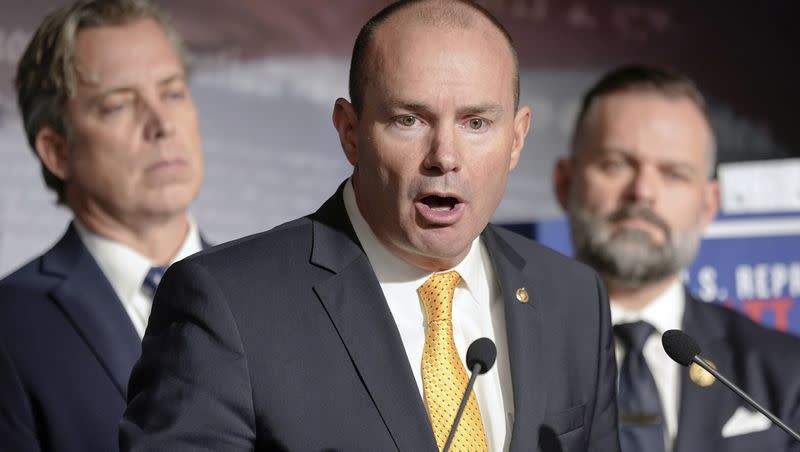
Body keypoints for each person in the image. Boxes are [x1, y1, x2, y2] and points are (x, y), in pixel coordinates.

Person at [120, 1, 620, 451]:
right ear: (350, 132)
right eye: (409, 120)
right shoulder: (227, 304)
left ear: (516, 138)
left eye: (476, 123)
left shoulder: (573, 298)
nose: (445, 157)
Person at [554, 63, 800, 452]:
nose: (643, 192)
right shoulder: (502, 358)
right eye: (616, 164)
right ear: (565, 184)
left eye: (674, 174)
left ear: (708, 205)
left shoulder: (785, 372)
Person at [0, 1, 206, 451]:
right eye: (117, 106)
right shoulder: (9, 327)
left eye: (172, 93)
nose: (162, 125)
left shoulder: (276, 293)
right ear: (56, 150)